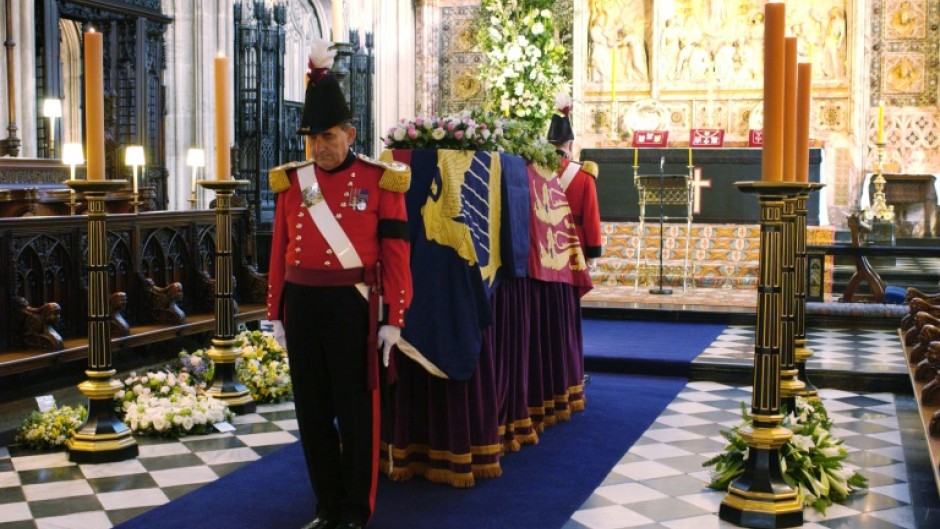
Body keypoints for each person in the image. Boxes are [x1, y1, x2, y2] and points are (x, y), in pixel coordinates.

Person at [266, 36, 412, 529]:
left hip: (353, 307)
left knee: (357, 414)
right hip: (303, 305)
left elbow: (396, 254)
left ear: (351, 133)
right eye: (313, 138)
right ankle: (326, 505)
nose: (320, 147)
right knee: (311, 413)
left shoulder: (380, 180)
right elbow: (279, 251)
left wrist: (394, 318)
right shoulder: (294, 182)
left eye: (329, 136)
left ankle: (354, 510)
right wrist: (275, 312)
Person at [547, 92, 603, 265]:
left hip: (544, 242)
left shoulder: (535, 171)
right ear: (570, 144)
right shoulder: (584, 176)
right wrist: (593, 252)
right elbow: (591, 217)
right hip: (574, 244)